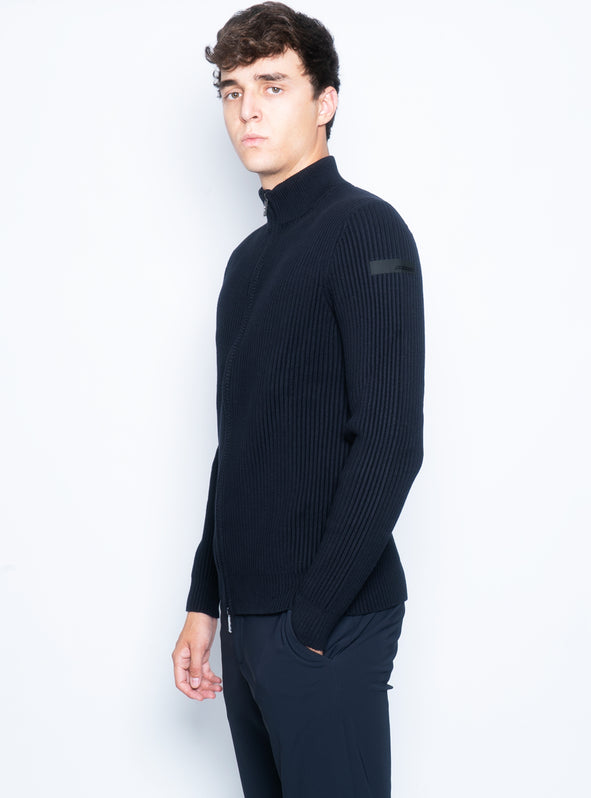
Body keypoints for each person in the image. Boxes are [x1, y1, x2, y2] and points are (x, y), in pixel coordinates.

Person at [172, 3, 425, 796]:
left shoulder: (369, 231)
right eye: (232, 90)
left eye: (273, 85)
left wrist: (311, 622)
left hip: (326, 624)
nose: (247, 109)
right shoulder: (247, 263)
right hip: (249, 623)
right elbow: (239, 445)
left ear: (326, 101)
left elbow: (390, 440)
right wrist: (205, 603)